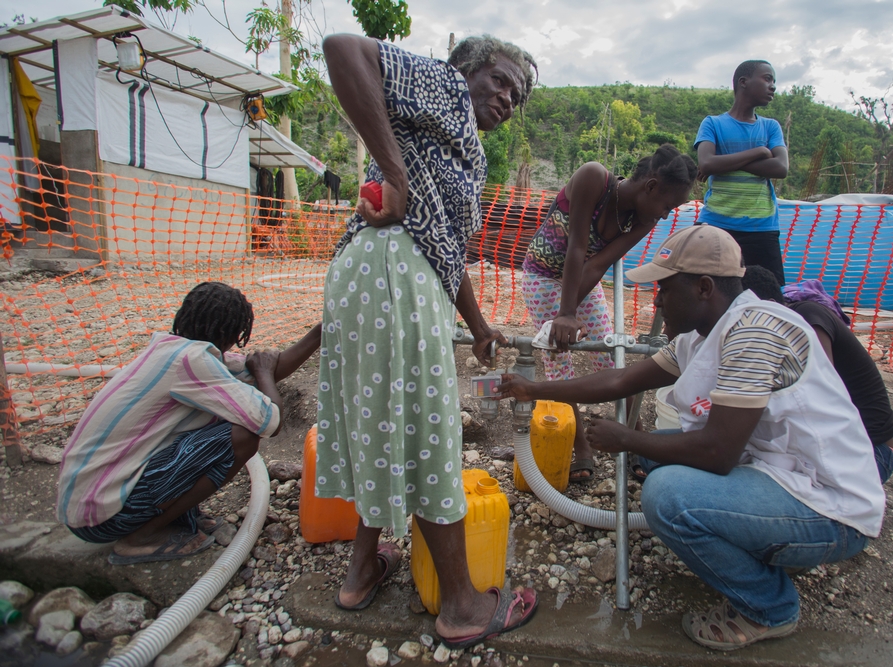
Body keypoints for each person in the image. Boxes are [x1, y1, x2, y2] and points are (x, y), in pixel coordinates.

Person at [498, 225, 885, 651]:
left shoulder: (755, 331)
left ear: (704, 287)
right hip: (782, 474)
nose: (658, 301)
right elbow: (621, 379)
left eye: (664, 289)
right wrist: (533, 390)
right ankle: (756, 543)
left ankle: (770, 607)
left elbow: (717, 454)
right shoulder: (704, 335)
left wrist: (627, 438)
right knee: (661, 458)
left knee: (666, 495)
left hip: (829, 506)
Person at [316, 34, 539, 648]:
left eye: (516, 96)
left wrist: (479, 328)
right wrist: (392, 171)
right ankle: (464, 606)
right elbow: (342, 48)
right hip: (393, 274)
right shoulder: (442, 87)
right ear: (466, 69)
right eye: (500, 80)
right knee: (424, 428)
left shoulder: (451, 138)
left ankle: (361, 572)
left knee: (382, 419)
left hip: (372, 272)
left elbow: (443, 247)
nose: (507, 98)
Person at [57, 282, 321, 564]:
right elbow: (270, 420)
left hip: (87, 508)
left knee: (217, 427)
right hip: (104, 519)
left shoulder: (174, 350)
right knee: (241, 436)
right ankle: (143, 536)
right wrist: (266, 373)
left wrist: (318, 333)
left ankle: (173, 517)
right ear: (231, 333)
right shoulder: (192, 361)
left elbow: (259, 370)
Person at [521, 145, 697, 482]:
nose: (664, 215)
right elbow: (576, 246)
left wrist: (570, 312)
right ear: (650, 186)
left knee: (611, 355)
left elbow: (597, 264)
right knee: (560, 359)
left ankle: (635, 439)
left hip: (583, 278)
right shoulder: (593, 178)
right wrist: (564, 315)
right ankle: (580, 446)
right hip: (542, 275)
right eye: (666, 205)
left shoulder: (641, 221)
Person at [741, 265, 893, 483]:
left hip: (872, 454)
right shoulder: (786, 322)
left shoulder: (808, 317)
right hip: (841, 449)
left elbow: (816, 392)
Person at [695, 60, 789, 284]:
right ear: (743, 82)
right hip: (715, 226)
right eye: (767, 79)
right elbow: (706, 163)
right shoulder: (712, 124)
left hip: (762, 228)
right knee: (704, 293)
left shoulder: (770, 126)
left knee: (769, 298)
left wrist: (724, 162)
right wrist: (759, 151)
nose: (773, 86)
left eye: (774, 81)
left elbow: (780, 168)